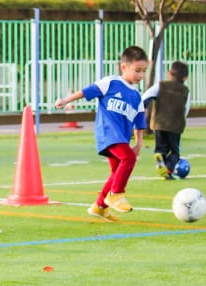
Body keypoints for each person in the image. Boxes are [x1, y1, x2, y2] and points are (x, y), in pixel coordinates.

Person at [55, 45, 148, 222]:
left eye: (144, 71)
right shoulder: (110, 83)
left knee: (116, 172)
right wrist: (66, 99)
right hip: (108, 134)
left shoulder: (137, 96)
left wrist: (138, 142)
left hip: (121, 138)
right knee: (128, 159)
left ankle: (100, 206)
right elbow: (86, 91)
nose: (141, 75)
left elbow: (139, 121)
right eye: (137, 70)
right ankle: (116, 194)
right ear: (124, 67)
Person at [142, 61, 190, 180]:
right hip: (175, 126)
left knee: (161, 147)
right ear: (186, 77)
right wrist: (182, 121)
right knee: (174, 151)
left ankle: (160, 157)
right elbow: (186, 109)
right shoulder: (185, 90)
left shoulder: (161, 85)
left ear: (169, 73)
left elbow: (146, 96)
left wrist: (140, 108)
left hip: (159, 123)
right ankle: (168, 170)